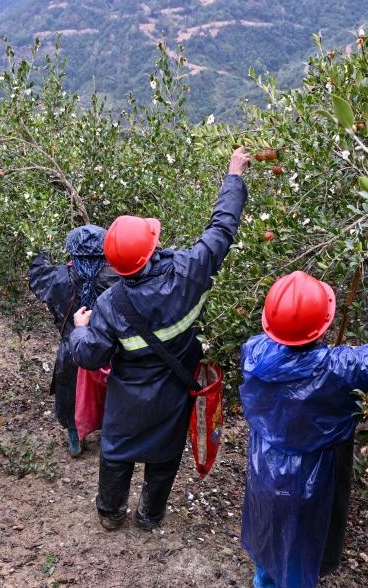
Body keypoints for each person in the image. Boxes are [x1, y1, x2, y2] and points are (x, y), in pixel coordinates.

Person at [70, 146, 250, 532]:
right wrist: (234, 175)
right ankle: (150, 516)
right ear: (152, 249)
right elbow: (222, 229)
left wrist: (79, 327)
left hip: (128, 399)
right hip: (173, 392)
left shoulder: (109, 303)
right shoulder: (189, 272)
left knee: (116, 453)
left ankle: (111, 513)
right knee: (165, 456)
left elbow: (89, 355)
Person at [239, 254, 368, 587]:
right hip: (312, 482)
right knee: (302, 554)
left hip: (264, 470)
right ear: (324, 324)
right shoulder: (338, 370)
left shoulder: (254, 352)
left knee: (270, 539)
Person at [28, 225, 119, 457]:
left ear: (71, 250)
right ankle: (110, 436)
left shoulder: (58, 277)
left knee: (70, 393)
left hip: (72, 348)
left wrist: (43, 243)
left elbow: (37, 274)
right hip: (108, 348)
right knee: (110, 392)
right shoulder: (117, 277)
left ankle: (74, 438)